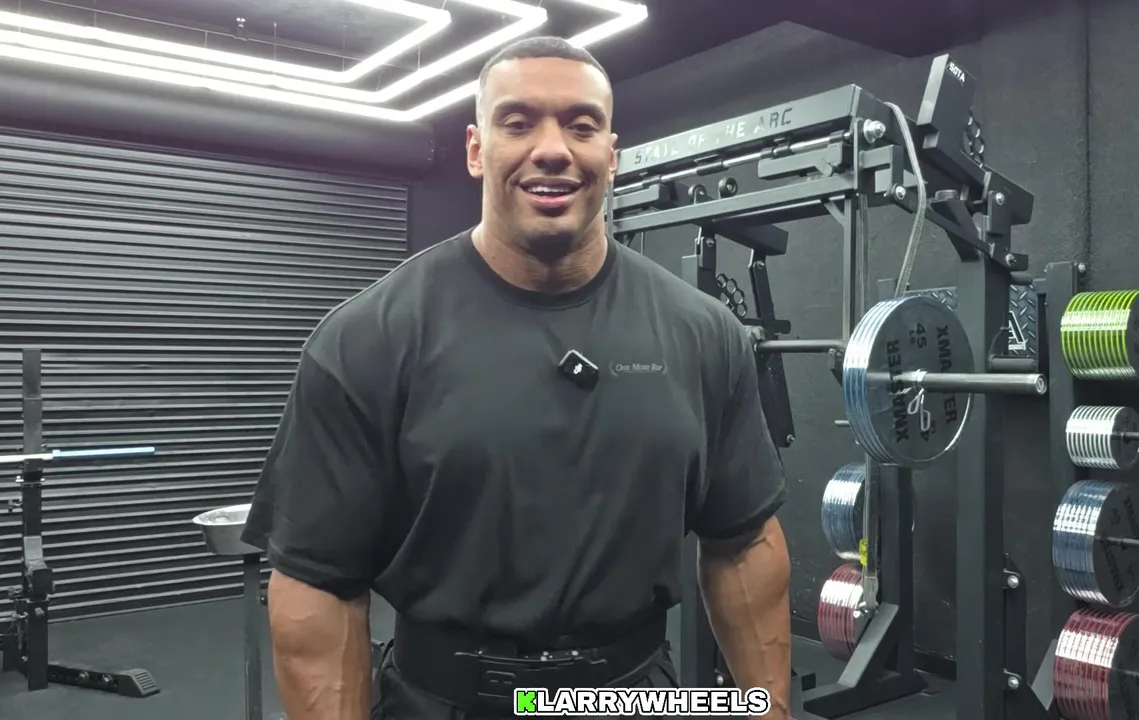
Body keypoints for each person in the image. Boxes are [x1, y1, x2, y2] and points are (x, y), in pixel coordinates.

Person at [241, 35, 792, 720]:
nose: (553, 148)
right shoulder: (367, 338)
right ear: (477, 150)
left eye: (582, 125)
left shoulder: (704, 333)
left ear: (612, 156)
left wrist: (770, 710)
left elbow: (743, 543)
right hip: (441, 700)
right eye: (518, 121)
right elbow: (318, 583)